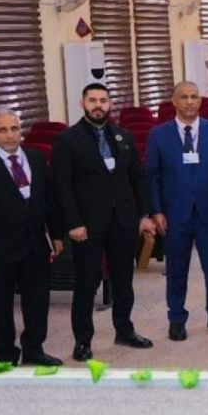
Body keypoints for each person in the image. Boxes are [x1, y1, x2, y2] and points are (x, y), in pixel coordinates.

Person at [52, 83, 155, 361]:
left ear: (110, 104)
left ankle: (125, 330)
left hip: (123, 221)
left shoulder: (124, 136)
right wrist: (73, 223)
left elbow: (137, 178)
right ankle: (83, 341)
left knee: (124, 281)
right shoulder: (67, 140)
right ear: (82, 103)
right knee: (87, 284)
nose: (98, 105)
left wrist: (143, 214)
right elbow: (62, 187)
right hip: (86, 225)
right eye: (93, 100)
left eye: (103, 100)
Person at [0, 109, 64, 367]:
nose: (10, 135)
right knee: (0, 305)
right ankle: (6, 354)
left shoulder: (36, 158)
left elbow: (49, 200)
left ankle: (34, 348)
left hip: (35, 245)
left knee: (37, 300)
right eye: (3, 130)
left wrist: (56, 234)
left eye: (14, 129)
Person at [145, 82, 208, 342]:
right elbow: (152, 176)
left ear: (200, 101)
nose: (189, 101)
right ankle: (176, 318)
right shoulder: (158, 135)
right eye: (184, 97)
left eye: (194, 97)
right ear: (174, 101)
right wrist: (156, 211)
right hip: (175, 214)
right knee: (176, 268)